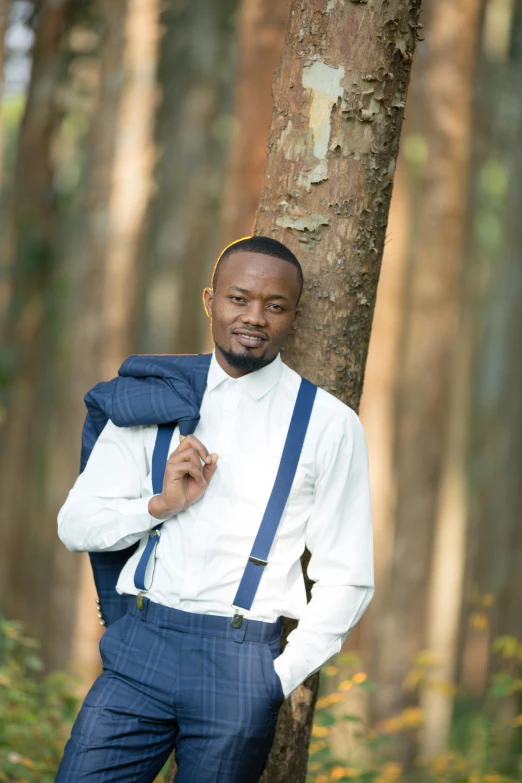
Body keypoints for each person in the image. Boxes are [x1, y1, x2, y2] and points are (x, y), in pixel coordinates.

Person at [55, 235, 374, 783]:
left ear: (292, 316)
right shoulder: (151, 398)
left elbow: (348, 576)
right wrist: (158, 505)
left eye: (274, 306)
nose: (254, 318)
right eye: (238, 299)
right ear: (210, 301)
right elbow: (75, 526)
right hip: (140, 650)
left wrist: (276, 679)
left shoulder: (328, 424)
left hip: (242, 661)